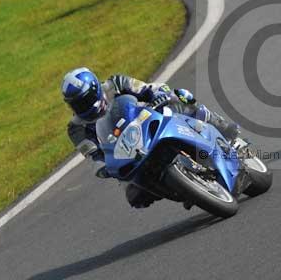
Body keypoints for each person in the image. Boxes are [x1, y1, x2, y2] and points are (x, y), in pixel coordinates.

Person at [61, 67, 240, 208]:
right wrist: (103, 168)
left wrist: (162, 95)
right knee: (134, 195)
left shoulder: (116, 83)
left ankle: (221, 126)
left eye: (83, 100)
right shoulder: (76, 128)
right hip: (126, 153)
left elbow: (148, 88)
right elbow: (93, 155)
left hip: (151, 120)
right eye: (75, 104)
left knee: (183, 99)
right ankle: (186, 190)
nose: (81, 106)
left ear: (95, 90)